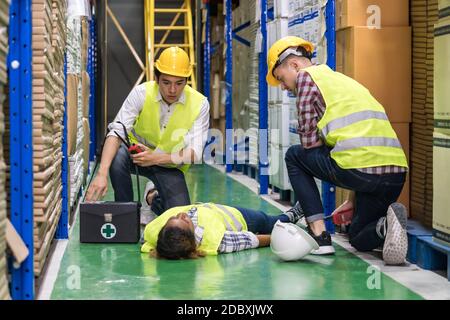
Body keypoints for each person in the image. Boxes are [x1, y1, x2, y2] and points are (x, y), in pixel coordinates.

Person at [266, 36, 409, 265]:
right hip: (395, 174)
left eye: (281, 79)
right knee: (358, 236)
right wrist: (352, 198)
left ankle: (319, 235)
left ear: (294, 65)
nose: (283, 87)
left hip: (359, 169)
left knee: (294, 156)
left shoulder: (305, 78)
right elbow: (358, 140)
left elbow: (309, 143)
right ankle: (385, 226)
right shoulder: (342, 80)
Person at [86, 47, 210, 224]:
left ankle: (151, 197)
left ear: (186, 81)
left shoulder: (200, 104)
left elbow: (194, 154)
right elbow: (116, 132)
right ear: (156, 78)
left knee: (180, 217)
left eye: (179, 83)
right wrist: (101, 173)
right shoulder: (141, 93)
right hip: (136, 156)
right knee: (117, 157)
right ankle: (126, 213)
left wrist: (155, 158)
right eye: (166, 82)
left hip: (169, 164)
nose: (173, 90)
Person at [140, 203, 304, 259]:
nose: (182, 214)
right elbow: (251, 240)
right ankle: (290, 216)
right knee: (269, 222)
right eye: (184, 220)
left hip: (211, 208)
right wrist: (278, 235)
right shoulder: (216, 241)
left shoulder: (157, 236)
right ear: (192, 236)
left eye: (173, 217)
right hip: (238, 218)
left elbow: (147, 243)